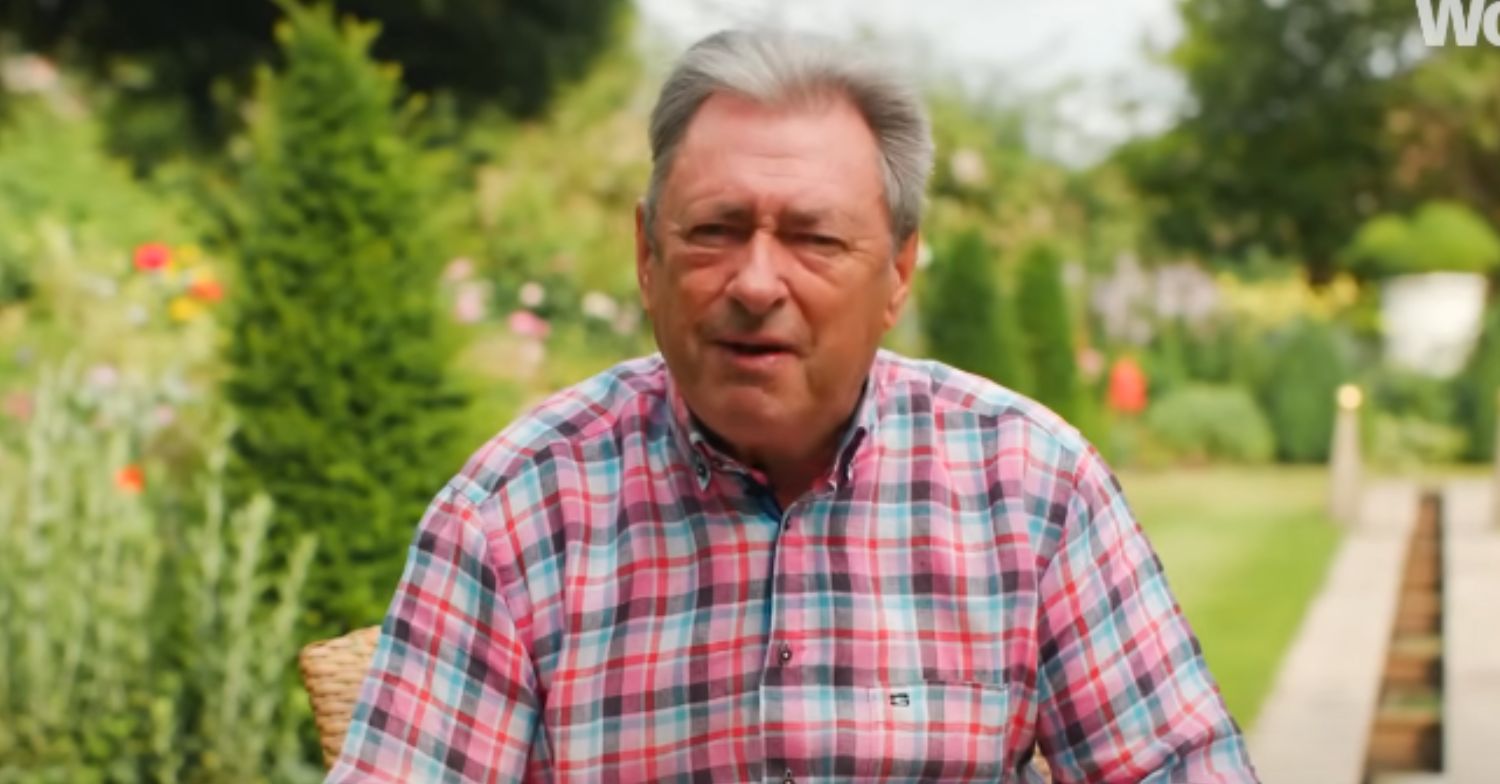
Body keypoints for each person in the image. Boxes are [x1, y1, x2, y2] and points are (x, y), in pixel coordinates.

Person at [326, 28, 1258, 784]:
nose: (756, 282)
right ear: (648, 257)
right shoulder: (514, 514)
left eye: (813, 238)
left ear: (896, 273)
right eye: (716, 232)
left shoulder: (1027, 486)